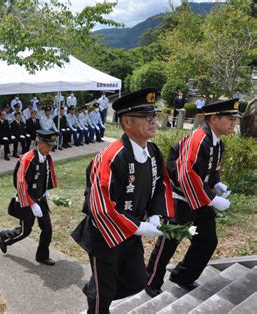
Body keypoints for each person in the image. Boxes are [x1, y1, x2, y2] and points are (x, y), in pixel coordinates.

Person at [71, 87, 174, 313]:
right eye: (146, 116)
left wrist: (156, 215)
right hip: (106, 234)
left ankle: (94, 288)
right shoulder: (111, 157)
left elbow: (161, 185)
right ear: (127, 122)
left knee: (137, 281)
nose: (153, 121)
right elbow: (100, 205)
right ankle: (97, 297)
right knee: (103, 294)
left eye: (154, 115)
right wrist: (138, 226)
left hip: (131, 232)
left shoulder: (153, 152)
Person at [145, 98, 240, 297]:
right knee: (169, 240)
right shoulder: (198, 139)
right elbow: (185, 174)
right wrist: (212, 199)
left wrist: (216, 184)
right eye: (230, 119)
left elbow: (210, 170)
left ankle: (183, 276)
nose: (234, 123)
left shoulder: (217, 142)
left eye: (235, 119)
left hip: (199, 198)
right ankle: (151, 281)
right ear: (214, 119)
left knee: (207, 239)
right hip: (178, 197)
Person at [0, 130, 59, 266]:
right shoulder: (28, 158)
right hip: (27, 200)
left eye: (51, 145)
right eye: (48, 145)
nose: (51, 148)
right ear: (39, 143)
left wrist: (45, 192)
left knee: (47, 229)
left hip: (40, 199)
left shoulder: (47, 158)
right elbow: (20, 183)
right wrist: (31, 204)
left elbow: (46, 176)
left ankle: (42, 256)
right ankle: (5, 237)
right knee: (25, 232)